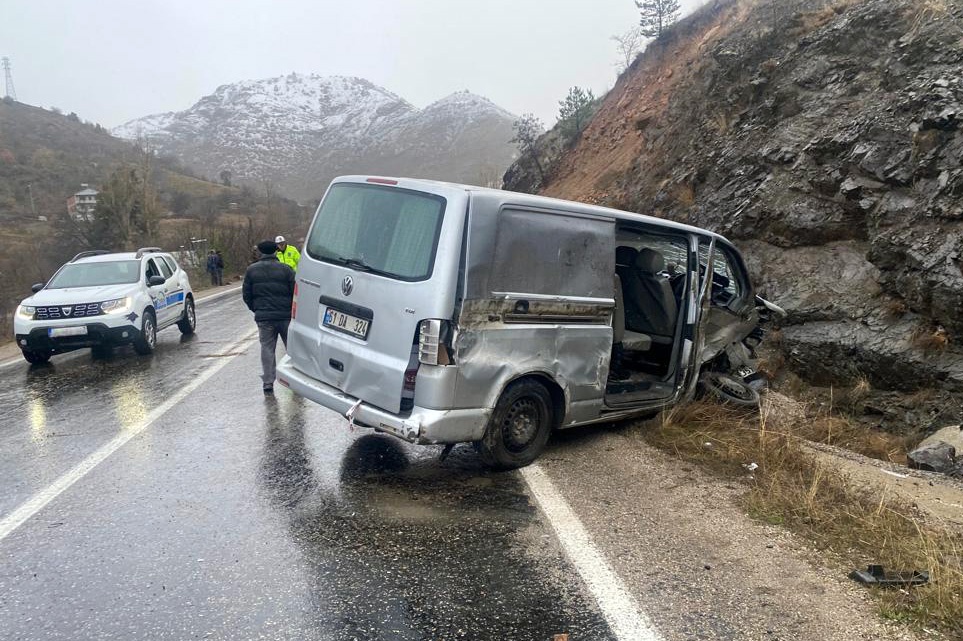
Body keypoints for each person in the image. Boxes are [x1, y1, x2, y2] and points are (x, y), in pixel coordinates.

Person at [243, 240, 295, 393]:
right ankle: (294, 378)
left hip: (264, 318)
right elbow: (295, 293)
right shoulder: (286, 269)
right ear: (276, 251)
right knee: (291, 348)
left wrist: (257, 310)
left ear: (260, 252)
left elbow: (247, 295)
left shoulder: (251, 270)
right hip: (285, 316)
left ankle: (268, 382)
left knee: (267, 348)